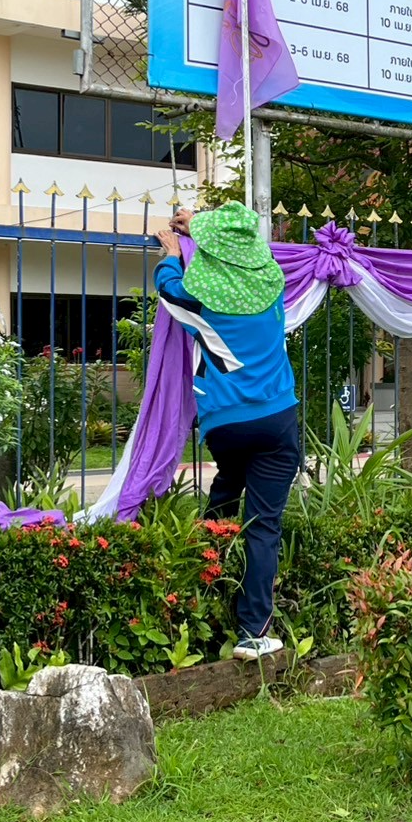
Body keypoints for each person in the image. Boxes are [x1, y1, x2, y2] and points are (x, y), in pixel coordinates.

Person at [154, 202, 299, 661]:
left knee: (228, 486)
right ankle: (253, 633)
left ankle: (197, 588)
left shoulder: (201, 301)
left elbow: (169, 290)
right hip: (276, 421)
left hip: (225, 424)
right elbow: (237, 243)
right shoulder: (272, 282)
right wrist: (200, 224)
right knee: (263, 526)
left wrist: (172, 253)